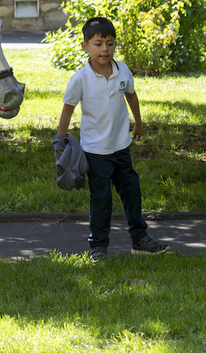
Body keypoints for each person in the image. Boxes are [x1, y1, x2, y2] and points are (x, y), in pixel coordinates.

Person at [55, 16, 169, 263]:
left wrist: (138, 123)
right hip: (95, 152)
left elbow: (132, 96)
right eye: (98, 44)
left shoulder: (123, 71)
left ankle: (140, 239)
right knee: (101, 199)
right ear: (85, 46)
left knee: (132, 193)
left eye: (110, 43)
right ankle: (98, 247)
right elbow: (68, 108)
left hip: (121, 147)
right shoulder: (80, 79)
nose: (104, 49)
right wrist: (60, 139)